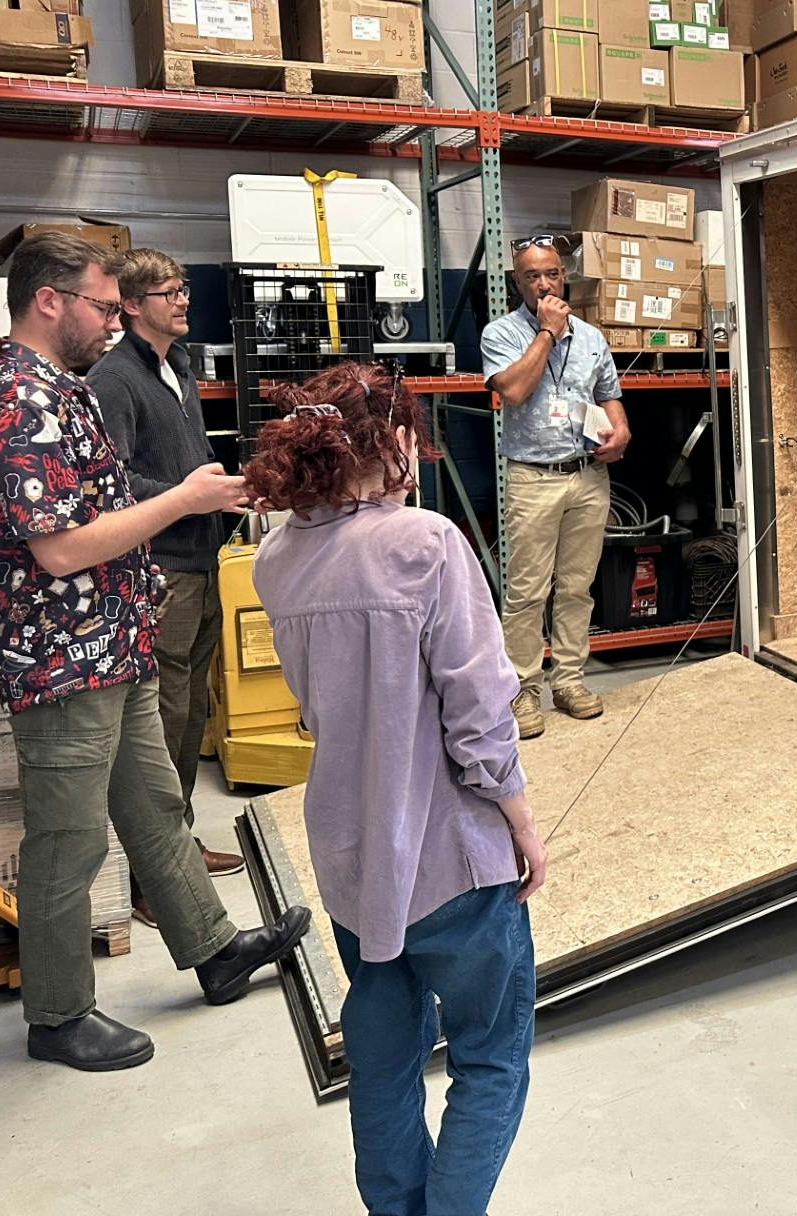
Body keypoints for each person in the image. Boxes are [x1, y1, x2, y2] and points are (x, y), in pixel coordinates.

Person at [0, 232, 312, 1072]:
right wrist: (185, 499)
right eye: (102, 305)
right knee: (68, 841)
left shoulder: (66, 389)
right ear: (49, 300)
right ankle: (58, 1014)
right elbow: (58, 549)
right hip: (59, 659)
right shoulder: (18, 400)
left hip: (110, 645)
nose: (114, 324)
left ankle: (215, 948)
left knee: (157, 807)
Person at [245, 362, 544, 1216]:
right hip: (451, 857)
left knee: (381, 1045)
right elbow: (481, 711)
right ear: (396, 442)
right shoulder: (426, 544)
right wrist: (519, 819)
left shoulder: (278, 558)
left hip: (349, 855)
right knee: (490, 1054)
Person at [88, 248, 243, 927]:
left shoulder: (177, 365)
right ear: (129, 304)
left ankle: (177, 846)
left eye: (183, 288)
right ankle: (154, 873)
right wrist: (191, 498)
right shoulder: (114, 379)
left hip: (201, 557)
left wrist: (223, 489)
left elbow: (191, 459)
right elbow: (110, 485)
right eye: (168, 292)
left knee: (192, 710)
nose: (184, 300)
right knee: (165, 718)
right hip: (160, 568)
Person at [480, 235, 630, 738]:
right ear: (516, 282)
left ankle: (568, 681)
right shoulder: (500, 334)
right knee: (526, 592)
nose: (543, 283)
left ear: (562, 274)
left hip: (587, 477)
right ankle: (521, 690)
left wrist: (621, 429)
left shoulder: (591, 338)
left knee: (576, 586)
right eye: (531, 276)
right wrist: (546, 332)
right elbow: (515, 391)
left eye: (550, 273)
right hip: (533, 479)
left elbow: (608, 395)